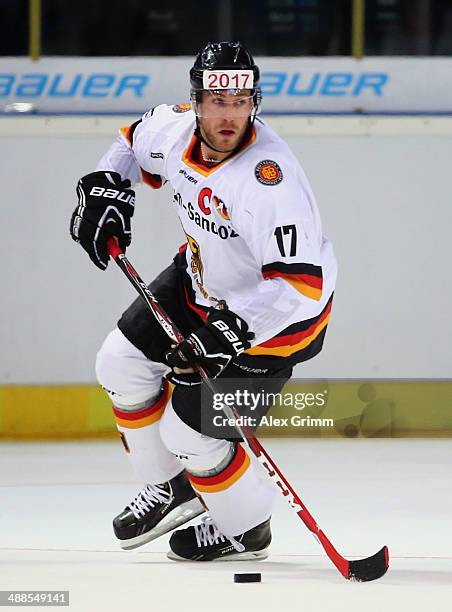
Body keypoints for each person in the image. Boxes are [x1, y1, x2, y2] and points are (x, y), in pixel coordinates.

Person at [69, 41, 337, 561]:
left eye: (240, 102)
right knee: (119, 364)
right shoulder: (172, 130)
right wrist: (106, 188)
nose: (229, 115)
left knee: (190, 436)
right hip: (199, 281)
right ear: (195, 101)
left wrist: (231, 331)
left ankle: (246, 527)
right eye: (217, 100)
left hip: (277, 325)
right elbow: (130, 143)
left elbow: (298, 286)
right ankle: (175, 488)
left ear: (254, 102)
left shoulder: (270, 182)